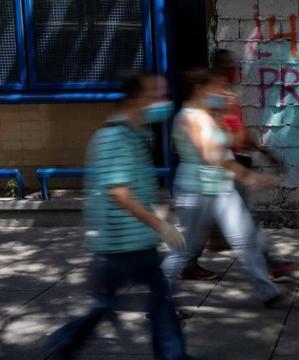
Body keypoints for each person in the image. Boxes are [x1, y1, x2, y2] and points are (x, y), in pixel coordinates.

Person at [43, 73, 189, 360]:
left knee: (133, 302)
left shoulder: (133, 134)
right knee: (129, 302)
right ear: (136, 99)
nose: (164, 101)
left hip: (131, 242)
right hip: (120, 244)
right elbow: (119, 193)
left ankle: (65, 342)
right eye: (156, 95)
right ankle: (65, 340)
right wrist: (160, 225)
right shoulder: (116, 137)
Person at [162, 68, 289, 308]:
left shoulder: (208, 115)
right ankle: (160, 297)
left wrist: (226, 117)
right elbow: (213, 154)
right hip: (195, 191)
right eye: (218, 87)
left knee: (246, 240)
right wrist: (247, 176)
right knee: (184, 249)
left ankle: (267, 292)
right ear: (202, 89)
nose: (223, 92)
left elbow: (231, 142)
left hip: (221, 188)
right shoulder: (190, 117)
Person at [206, 50, 299, 279]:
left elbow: (239, 130)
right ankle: (269, 264)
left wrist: (262, 150)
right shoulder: (214, 97)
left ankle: (192, 257)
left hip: (238, 160)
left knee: (240, 216)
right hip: (228, 165)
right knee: (249, 220)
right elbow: (216, 131)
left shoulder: (228, 96)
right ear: (219, 68)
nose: (235, 69)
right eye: (230, 65)